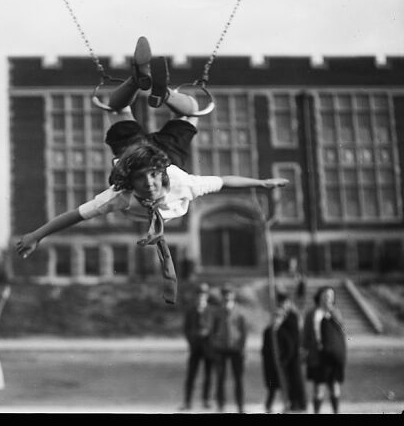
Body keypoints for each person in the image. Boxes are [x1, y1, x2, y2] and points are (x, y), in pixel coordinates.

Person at [15, 37, 289, 304]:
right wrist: (36, 236)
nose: (148, 184)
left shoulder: (176, 182)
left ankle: (146, 84)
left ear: (160, 174)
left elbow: (224, 181)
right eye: (141, 180)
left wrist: (261, 183)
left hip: (150, 155)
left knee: (118, 108)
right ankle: (151, 86)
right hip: (137, 157)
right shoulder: (123, 193)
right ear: (130, 182)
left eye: (152, 178)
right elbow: (74, 216)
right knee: (189, 111)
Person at [302, 285, 346, 414]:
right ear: (320, 296)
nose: (328, 298)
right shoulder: (312, 313)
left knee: (334, 386)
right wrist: (304, 351)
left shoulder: (335, 312)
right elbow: (306, 335)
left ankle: (336, 411)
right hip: (318, 355)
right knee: (319, 387)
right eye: (326, 295)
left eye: (331, 296)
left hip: (332, 355)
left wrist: (332, 312)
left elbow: (342, 330)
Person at [261, 291, 307, 413]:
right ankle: (269, 406)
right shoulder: (268, 331)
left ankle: (294, 404)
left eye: (279, 316)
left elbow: (293, 341)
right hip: (272, 363)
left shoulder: (292, 317)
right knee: (272, 386)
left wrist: (287, 357)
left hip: (289, 357)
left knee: (289, 383)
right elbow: (265, 349)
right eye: (275, 316)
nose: (277, 318)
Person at [180, 282, 219, 411]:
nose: (201, 297)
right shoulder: (190, 311)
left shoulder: (212, 311)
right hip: (195, 347)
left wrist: (211, 340)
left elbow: (216, 329)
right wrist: (192, 340)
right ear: (196, 296)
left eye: (203, 294)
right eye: (199, 294)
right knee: (191, 375)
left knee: (208, 375)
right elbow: (186, 329)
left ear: (207, 296)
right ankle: (187, 401)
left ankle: (206, 400)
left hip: (209, 348)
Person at [210, 284, 248, 413]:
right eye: (225, 294)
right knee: (220, 378)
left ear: (233, 295)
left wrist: (242, 347)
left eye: (229, 294)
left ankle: (240, 406)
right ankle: (221, 405)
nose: (227, 296)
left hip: (235, 349)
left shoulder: (239, 311)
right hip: (221, 348)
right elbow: (213, 330)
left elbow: (244, 332)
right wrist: (214, 344)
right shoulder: (217, 312)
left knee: (238, 379)